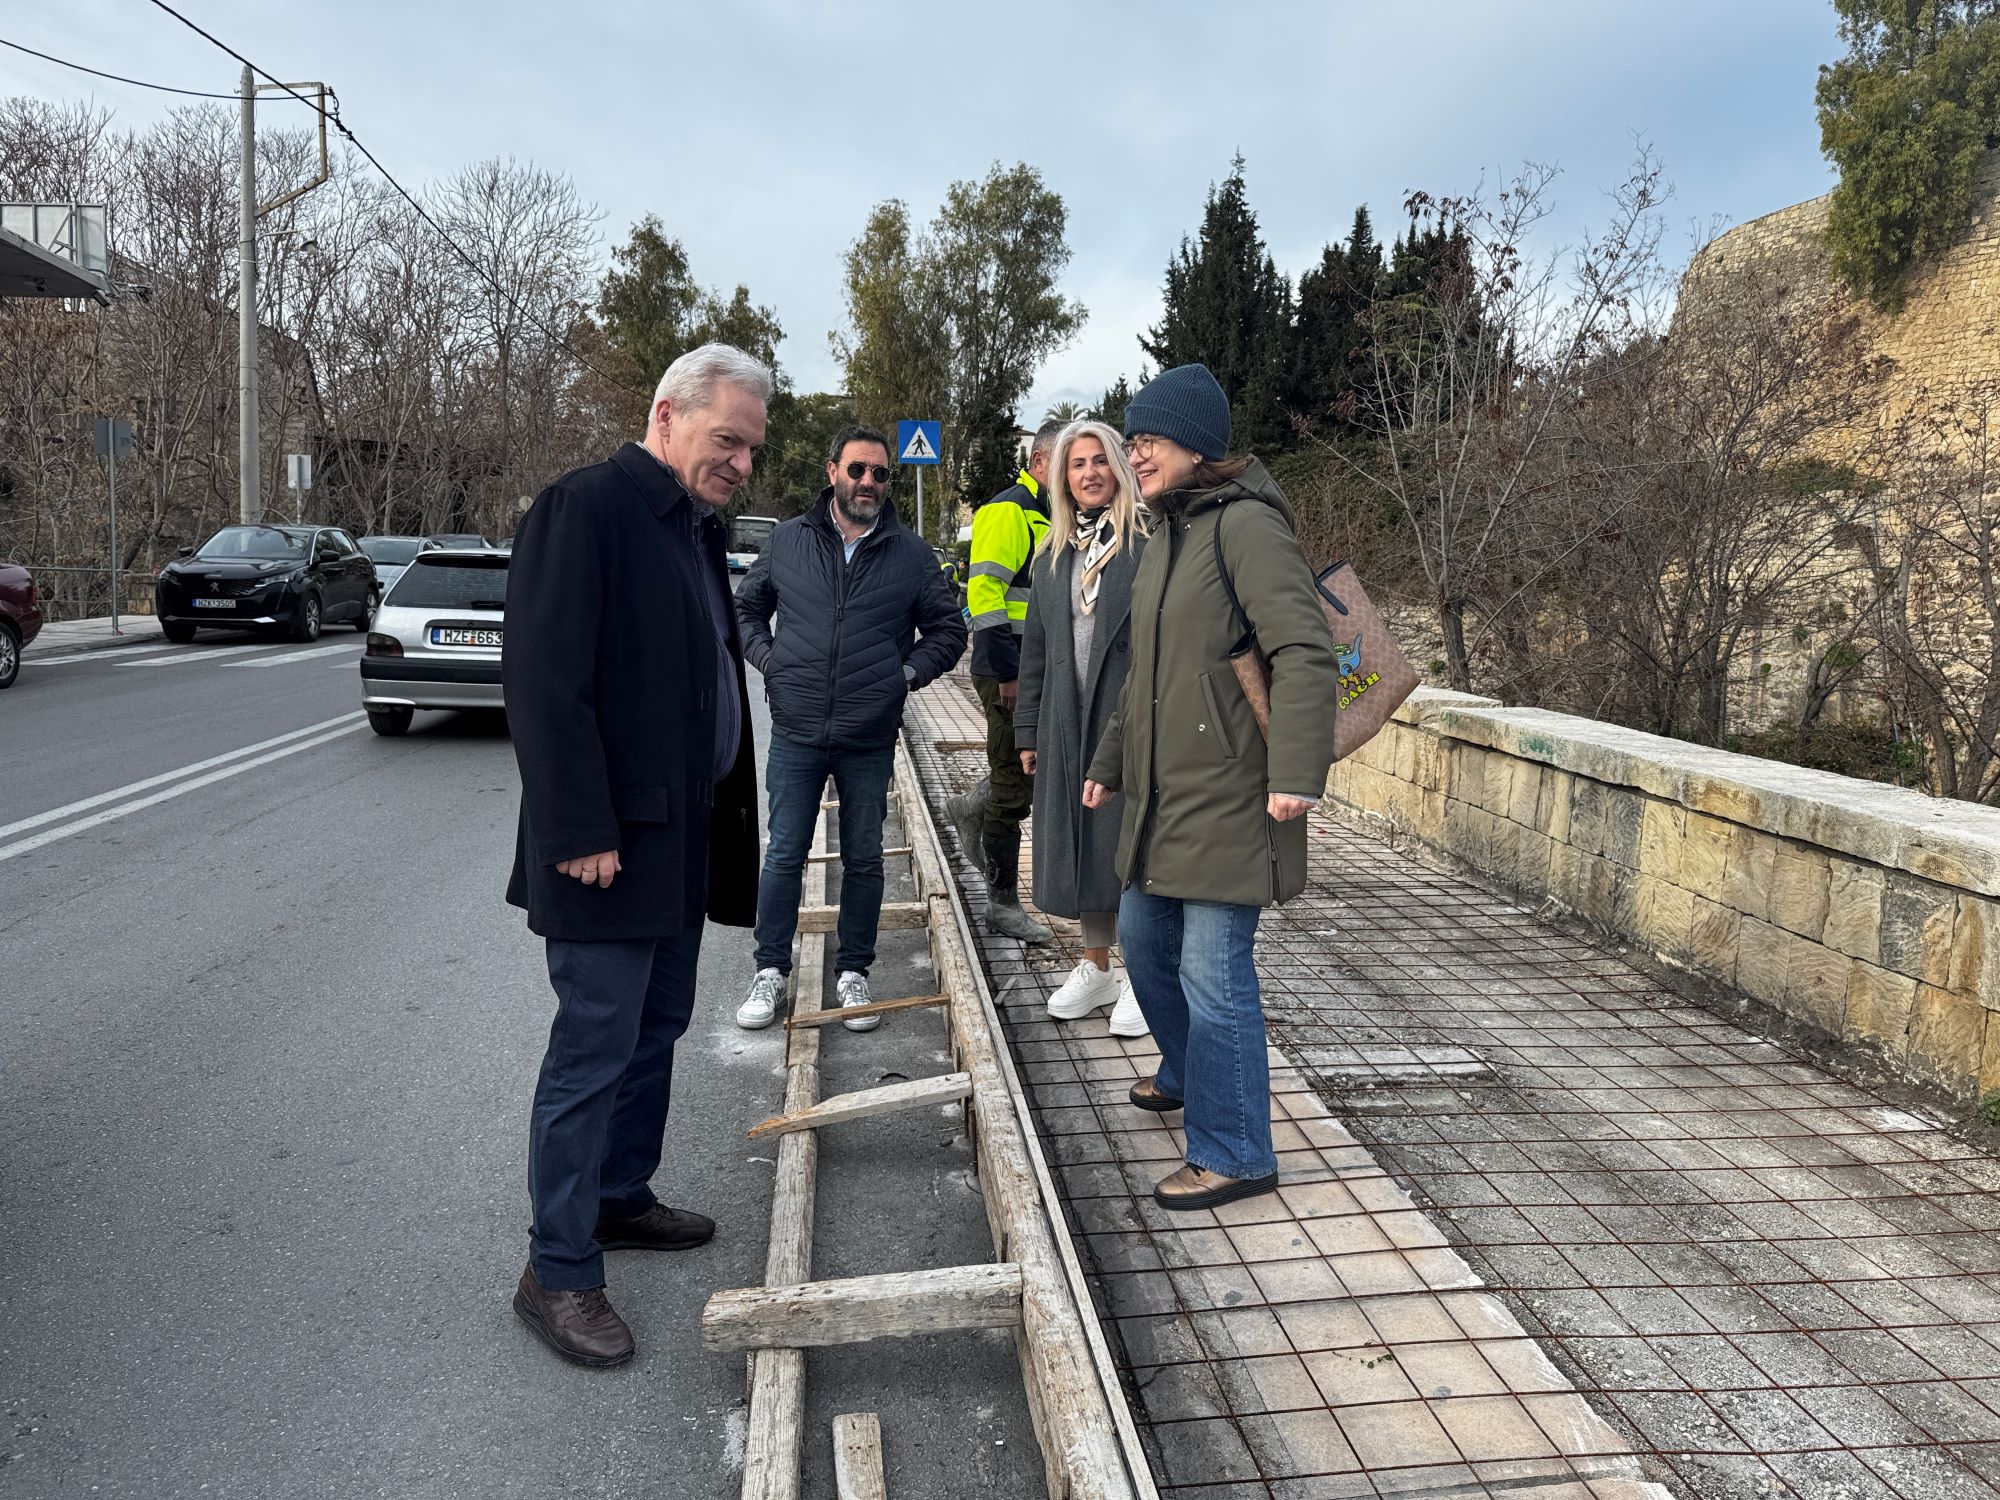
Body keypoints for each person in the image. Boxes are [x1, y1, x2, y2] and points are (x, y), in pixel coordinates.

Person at [503, 342, 770, 1367]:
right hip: (604, 850)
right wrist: (579, 832)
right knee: (591, 1049)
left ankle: (616, 1197)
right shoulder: (588, 509)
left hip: (676, 841)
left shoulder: (690, 530)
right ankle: (556, 1270)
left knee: (655, 1024)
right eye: (725, 440)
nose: (740, 462)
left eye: (749, 448)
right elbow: (544, 684)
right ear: (666, 416)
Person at [1081, 364, 1339, 1213]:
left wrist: (1299, 772)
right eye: (1132, 442)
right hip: (1167, 798)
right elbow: (1143, 678)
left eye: (1147, 441)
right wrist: (1109, 762)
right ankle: (1194, 1074)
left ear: (1196, 442)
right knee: (1146, 944)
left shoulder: (1246, 526)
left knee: (1213, 973)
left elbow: (1304, 651)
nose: (1134, 456)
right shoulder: (1169, 536)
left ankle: (1236, 1150)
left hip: (1236, 798)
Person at [733, 426, 967, 1031]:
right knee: (784, 853)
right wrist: (770, 659)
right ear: (832, 470)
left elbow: (948, 632)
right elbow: (745, 610)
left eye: (880, 474)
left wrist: (906, 674)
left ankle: (854, 973)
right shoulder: (788, 542)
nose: (869, 482)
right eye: (858, 470)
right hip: (797, 729)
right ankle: (770, 971)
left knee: (864, 857)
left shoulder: (911, 555)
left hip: (868, 734)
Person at [1015, 420, 1151, 1038]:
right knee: (1082, 844)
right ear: (1060, 476)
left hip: (1130, 717)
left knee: (1128, 846)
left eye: (1100, 460)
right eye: (1077, 464)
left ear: (1117, 469)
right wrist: (1028, 731)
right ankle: (1096, 967)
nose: (1090, 472)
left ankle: (1143, 976)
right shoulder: (1052, 555)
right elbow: (1036, 652)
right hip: (1066, 718)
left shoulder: (1147, 542)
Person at [944, 422, 1057, 942]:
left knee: (1025, 771)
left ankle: (972, 805)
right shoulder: (1009, 511)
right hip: (1011, 670)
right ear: (1037, 464)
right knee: (1014, 784)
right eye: (1065, 461)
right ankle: (1002, 904)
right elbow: (984, 594)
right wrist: (1008, 672)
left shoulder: (1052, 516)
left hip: (1039, 670)